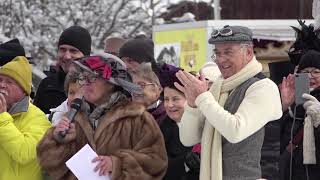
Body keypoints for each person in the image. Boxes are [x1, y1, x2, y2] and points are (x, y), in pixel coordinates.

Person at [174, 25, 283, 180]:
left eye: (228, 52)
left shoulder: (263, 87)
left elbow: (235, 131)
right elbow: (188, 139)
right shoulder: (217, 88)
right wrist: (191, 105)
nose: (220, 59)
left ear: (248, 52)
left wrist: (203, 97)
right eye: (217, 53)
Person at [37, 54, 168, 180]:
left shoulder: (137, 118)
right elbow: (47, 164)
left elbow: (156, 164)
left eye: (92, 78)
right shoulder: (73, 117)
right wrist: (58, 139)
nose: (86, 83)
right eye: (83, 78)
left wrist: (117, 164)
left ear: (112, 84)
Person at [0, 56, 51, 180]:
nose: (2, 85)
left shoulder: (38, 118)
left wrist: (2, 118)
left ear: (24, 90)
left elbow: (24, 153)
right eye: (0, 80)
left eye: (9, 82)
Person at [154, 63, 200, 180]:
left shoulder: (203, 124)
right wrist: (183, 164)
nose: (169, 105)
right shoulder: (161, 128)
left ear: (189, 99)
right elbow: (156, 165)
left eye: (175, 99)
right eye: (166, 99)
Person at [280, 50, 320, 180]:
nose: (310, 76)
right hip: (291, 172)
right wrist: (283, 107)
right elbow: (273, 139)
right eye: (305, 72)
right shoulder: (293, 103)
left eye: (316, 72)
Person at [33, 25, 91, 114]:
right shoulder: (47, 84)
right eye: (62, 50)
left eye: (73, 51)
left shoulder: (92, 87)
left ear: (85, 55)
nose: (67, 56)